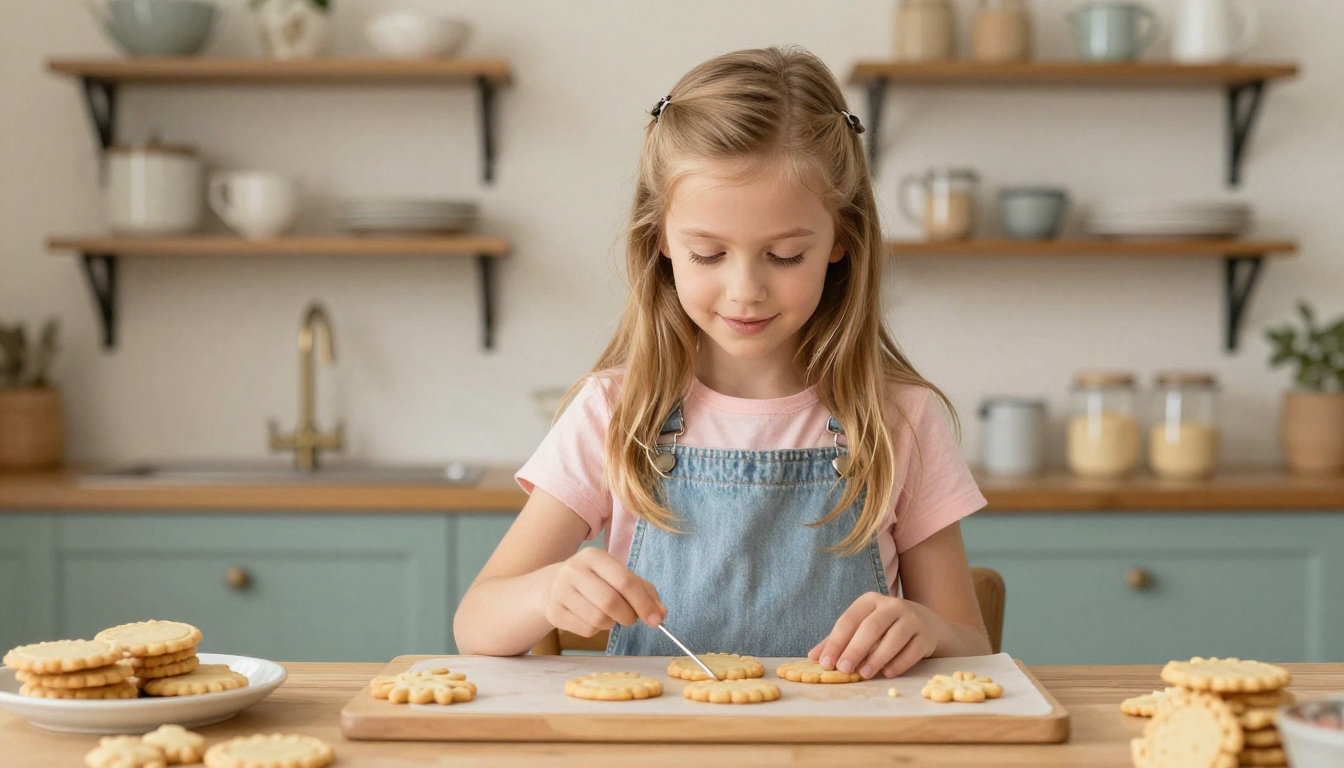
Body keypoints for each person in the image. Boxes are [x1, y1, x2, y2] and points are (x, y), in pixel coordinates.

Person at [455, 46, 990, 680]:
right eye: (708, 254)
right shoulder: (614, 412)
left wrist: (929, 630)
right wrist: (547, 593)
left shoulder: (900, 418)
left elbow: (972, 649)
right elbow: (475, 624)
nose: (745, 290)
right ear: (661, 241)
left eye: (786, 255)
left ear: (841, 240)